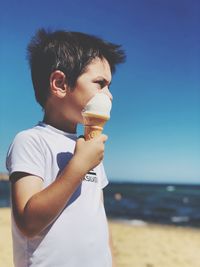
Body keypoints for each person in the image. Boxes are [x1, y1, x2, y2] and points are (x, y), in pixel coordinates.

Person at [6, 28, 125, 267]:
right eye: (100, 84)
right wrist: (78, 166)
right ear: (59, 83)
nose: (109, 95)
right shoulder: (30, 141)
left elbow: (96, 215)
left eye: (109, 86)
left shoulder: (89, 147)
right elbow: (28, 222)